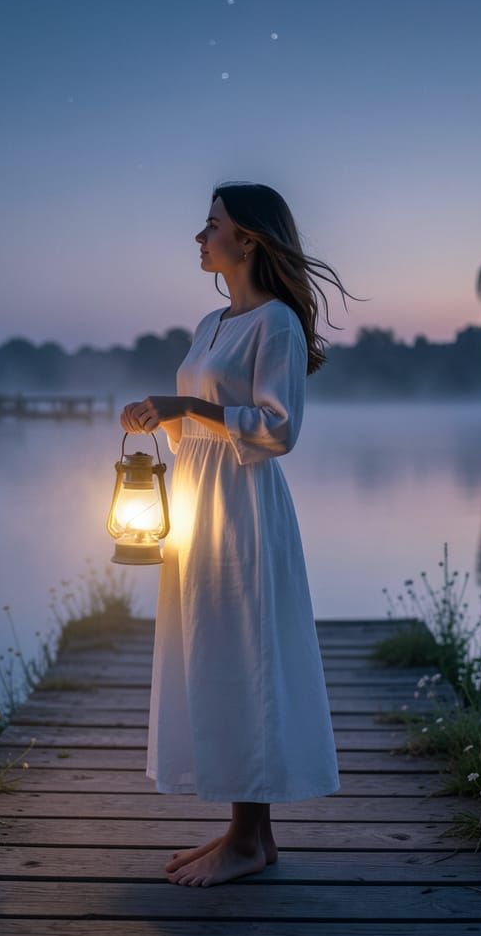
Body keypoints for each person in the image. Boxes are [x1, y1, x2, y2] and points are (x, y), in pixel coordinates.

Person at [120, 181, 363, 887]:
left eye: (212, 226)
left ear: (247, 240)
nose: (199, 239)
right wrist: (156, 416)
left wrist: (188, 403)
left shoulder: (278, 325)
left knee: (247, 651)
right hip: (198, 498)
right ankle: (244, 832)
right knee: (215, 652)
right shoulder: (210, 323)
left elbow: (279, 429)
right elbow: (197, 418)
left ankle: (252, 838)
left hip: (245, 504)